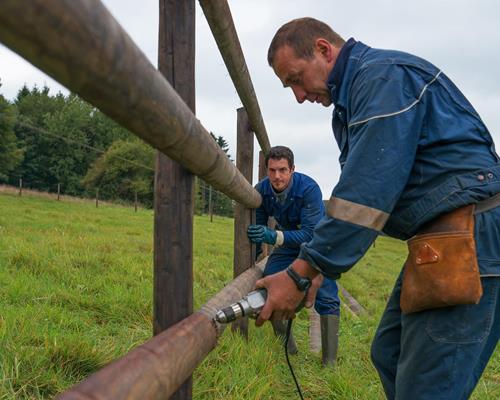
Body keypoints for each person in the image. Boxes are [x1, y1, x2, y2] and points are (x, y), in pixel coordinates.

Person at [256, 17, 500, 400]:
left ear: (323, 49)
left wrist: (303, 271)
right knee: (389, 352)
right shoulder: (359, 94)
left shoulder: (383, 80)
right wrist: (317, 269)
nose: (299, 96)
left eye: (296, 79)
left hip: (468, 234)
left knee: (427, 388)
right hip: (439, 235)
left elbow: (365, 196)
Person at [247, 145, 340, 365]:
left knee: (325, 292)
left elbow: (310, 234)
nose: (276, 176)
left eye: (282, 170)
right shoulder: (262, 190)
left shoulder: (309, 189)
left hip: (319, 243)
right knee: (268, 283)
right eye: (271, 170)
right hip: (288, 246)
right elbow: (259, 227)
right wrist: (256, 253)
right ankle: (289, 349)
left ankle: (330, 362)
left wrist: (274, 236)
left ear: (292, 169)